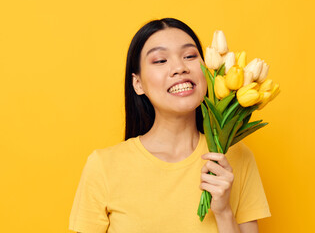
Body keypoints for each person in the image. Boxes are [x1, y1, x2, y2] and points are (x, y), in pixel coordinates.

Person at [69, 18, 271, 233]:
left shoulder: (235, 157)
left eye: (190, 56)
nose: (179, 68)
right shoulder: (103, 166)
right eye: (160, 60)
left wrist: (223, 212)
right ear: (138, 84)